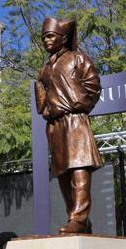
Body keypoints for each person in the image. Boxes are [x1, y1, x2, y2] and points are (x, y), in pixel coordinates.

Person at [34, 18, 103, 234]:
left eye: (51, 36)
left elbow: (93, 87)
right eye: (44, 37)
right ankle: (77, 219)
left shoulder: (78, 58)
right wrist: (45, 108)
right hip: (55, 125)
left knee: (79, 169)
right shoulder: (44, 69)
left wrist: (76, 103)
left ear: (63, 38)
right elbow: (42, 99)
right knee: (63, 173)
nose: (46, 40)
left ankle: (79, 218)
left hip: (75, 121)